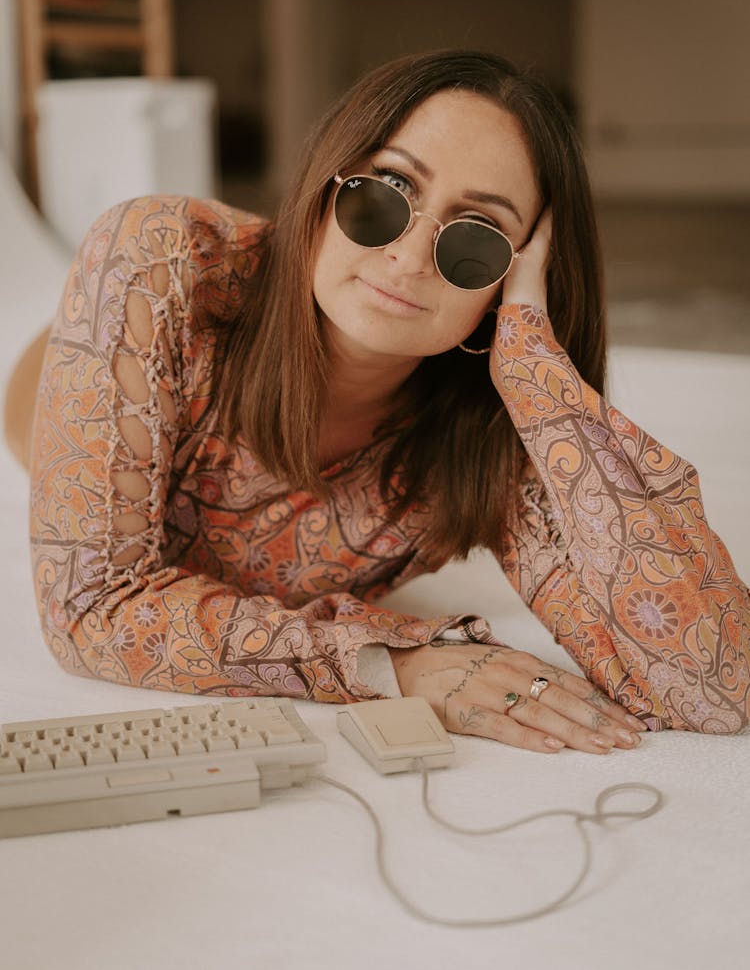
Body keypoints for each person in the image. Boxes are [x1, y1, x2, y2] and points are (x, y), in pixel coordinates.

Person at [28, 49, 749, 755]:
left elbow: (714, 689)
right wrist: (393, 662)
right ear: (325, 179)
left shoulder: (489, 439)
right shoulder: (163, 266)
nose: (407, 257)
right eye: (384, 193)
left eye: (478, 239)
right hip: (45, 369)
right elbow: (90, 609)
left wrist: (538, 371)